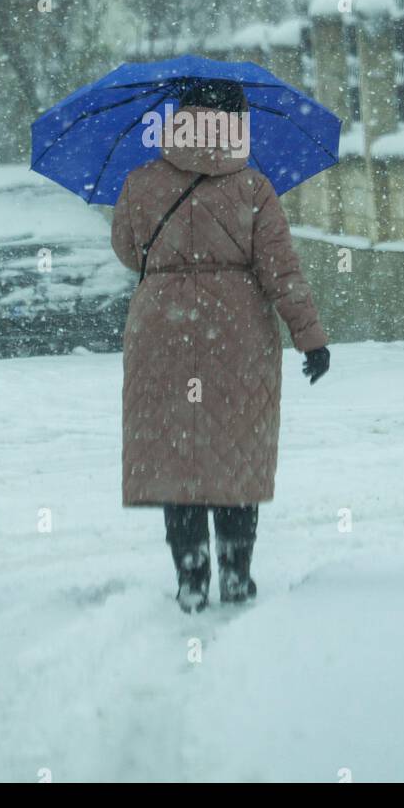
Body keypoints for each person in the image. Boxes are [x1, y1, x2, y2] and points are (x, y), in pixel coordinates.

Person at [111, 77, 330, 613]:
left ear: (180, 119)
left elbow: (124, 251)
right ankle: (236, 575)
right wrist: (310, 338)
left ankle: (190, 578)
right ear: (235, 123)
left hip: (162, 327)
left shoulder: (140, 182)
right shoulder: (253, 188)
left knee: (177, 457)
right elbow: (281, 270)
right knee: (234, 458)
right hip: (238, 332)